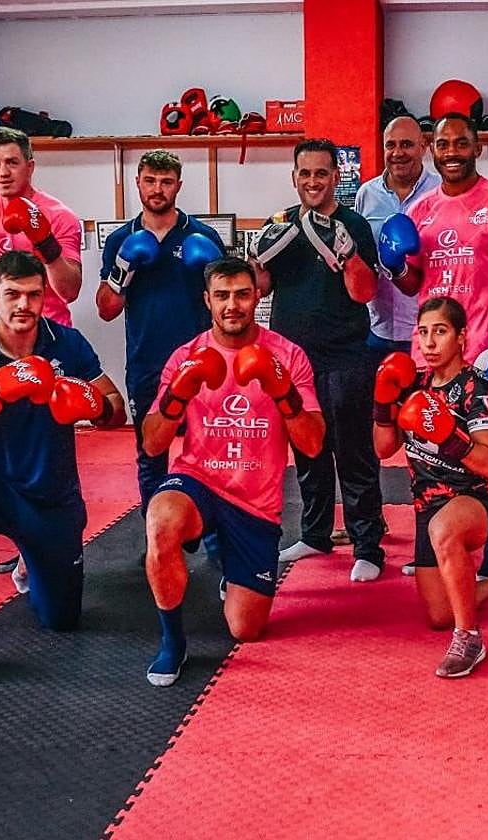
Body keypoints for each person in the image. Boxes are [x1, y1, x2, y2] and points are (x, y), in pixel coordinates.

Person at [0, 250, 126, 690]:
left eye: (33, 295)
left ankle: (28, 560)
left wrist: (94, 406)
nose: (23, 305)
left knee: (62, 620)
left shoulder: (67, 345)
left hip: (50, 494)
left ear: (43, 296)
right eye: (12, 294)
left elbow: (117, 409)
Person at [140, 257, 325, 685]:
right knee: (161, 521)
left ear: (257, 296)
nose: (232, 305)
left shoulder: (288, 355)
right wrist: (175, 396)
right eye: (222, 296)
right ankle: (172, 642)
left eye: (242, 294)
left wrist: (281, 389)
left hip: (255, 504)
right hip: (198, 482)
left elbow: (312, 444)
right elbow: (152, 443)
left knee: (246, 629)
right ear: (207, 300)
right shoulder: (186, 356)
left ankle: (226, 556)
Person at [373, 297, 488, 678]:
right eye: (424, 333)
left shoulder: (476, 388)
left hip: (477, 500)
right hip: (428, 506)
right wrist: (383, 403)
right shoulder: (412, 384)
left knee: (443, 530)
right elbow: (383, 448)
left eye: (441, 332)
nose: (430, 343)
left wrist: (449, 434)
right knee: (438, 613)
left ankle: (469, 638)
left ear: (462, 337)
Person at [394, 113, 488, 579]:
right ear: (433, 149)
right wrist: (393, 264)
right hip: (431, 352)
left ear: (476, 147)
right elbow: (415, 283)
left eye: (461, 143)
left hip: (481, 351)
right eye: (444, 144)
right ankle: (434, 542)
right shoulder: (422, 210)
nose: (452, 151)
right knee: (427, 447)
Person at [249, 138, 386, 583]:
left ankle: (368, 545)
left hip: (345, 356)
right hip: (293, 360)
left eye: (321, 173)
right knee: (307, 449)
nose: (313, 181)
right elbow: (261, 289)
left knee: (353, 453)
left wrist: (346, 254)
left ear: (336, 176)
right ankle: (315, 533)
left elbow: (364, 293)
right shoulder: (282, 223)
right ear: (294, 177)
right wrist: (256, 257)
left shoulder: (355, 225)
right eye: (305, 173)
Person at [96, 149, 225, 525]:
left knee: (206, 449)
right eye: (150, 180)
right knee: (151, 451)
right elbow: (106, 309)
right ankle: (157, 529)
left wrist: (210, 268)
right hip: (147, 363)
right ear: (137, 182)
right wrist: (123, 268)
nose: (157, 189)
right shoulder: (122, 239)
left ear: (178, 186)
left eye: (166, 181)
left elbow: (230, 303)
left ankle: (208, 527)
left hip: (201, 362)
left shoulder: (202, 235)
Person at [349, 115, 440, 548]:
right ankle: (370, 523)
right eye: (390, 145)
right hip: (376, 329)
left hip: (425, 335)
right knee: (375, 433)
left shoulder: (441, 192)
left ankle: (433, 525)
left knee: (429, 434)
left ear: (422, 146)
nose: (398, 153)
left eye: (406, 144)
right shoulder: (366, 194)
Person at [0, 126, 83, 327]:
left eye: (12, 163)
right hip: (3, 333)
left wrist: (45, 242)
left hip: (49, 331)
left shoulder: (59, 216)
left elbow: (70, 292)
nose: (3, 172)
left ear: (30, 167)